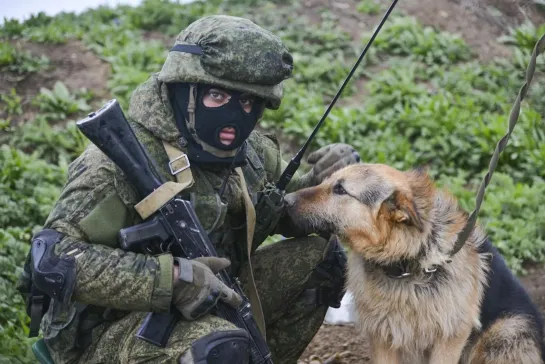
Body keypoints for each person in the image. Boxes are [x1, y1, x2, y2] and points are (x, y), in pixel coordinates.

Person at [18, 15, 361, 364]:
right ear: (184, 90)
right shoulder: (115, 162)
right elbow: (53, 259)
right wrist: (170, 279)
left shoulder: (250, 153)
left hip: (216, 299)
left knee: (322, 261)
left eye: (246, 103)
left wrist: (320, 185)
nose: (233, 115)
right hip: (111, 334)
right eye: (216, 96)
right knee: (218, 350)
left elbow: (280, 218)